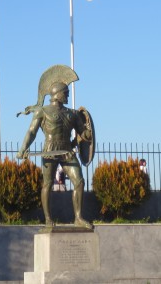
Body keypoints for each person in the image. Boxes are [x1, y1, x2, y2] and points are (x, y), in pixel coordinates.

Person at [16, 81, 93, 229]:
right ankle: (48, 219)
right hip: (49, 151)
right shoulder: (42, 111)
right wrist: (23, 149)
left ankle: (78, 218)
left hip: (67, 151)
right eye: (66, 93)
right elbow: (31, 132)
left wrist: (87, 133)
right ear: (57, 94)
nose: (67, 96)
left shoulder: (72, 113)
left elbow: (82, 133)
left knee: (79, 181)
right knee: (48, 184)